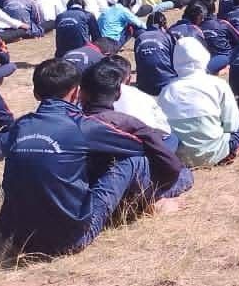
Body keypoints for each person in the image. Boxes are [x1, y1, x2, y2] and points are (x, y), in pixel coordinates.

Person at [0, 59, 192, 256]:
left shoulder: (20, 127)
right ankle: (165, 191)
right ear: (76, 93)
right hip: (70, 239)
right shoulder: (84, 126)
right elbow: (138, 148)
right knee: (134, 162)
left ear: (36, 94)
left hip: (17, 238)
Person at [79, 59, 188, 191]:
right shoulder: (130, 123)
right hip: (126, 188)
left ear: (80, 94)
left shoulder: (72, 122)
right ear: (118, 93)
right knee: (185, 175)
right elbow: (172, 165)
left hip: (85, 186)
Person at [159, 37, 239, 167]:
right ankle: (236, 149)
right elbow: (232, 126)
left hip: (182, 158)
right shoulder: (218, 84)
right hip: (217, 153)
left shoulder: (166, 91)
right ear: (203, 55)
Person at [134, 12, 177, 96]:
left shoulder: (139, 38)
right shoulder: (167, 36)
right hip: (167, 83)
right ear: (163, 24)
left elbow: (139, 62)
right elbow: (174, 60)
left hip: (144, 86)